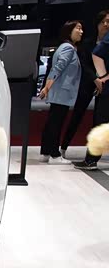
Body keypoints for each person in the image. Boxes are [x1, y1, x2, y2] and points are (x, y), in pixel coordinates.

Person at [61, 10, 109, 158]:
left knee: (99, 119)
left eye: (108, 22)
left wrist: (103, 79)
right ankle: (63, 147)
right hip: (88, 82)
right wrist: (95, 79)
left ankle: (92, 155)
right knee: (77, 115)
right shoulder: (88, 43)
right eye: (103, 21)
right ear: (98, 23)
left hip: (105, 83)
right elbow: (84, 63)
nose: (105, 24)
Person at [39, 21, 83, 164]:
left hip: (59, 91)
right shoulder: (68, 48)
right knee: (56, 123)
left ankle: (46, 152)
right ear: (69, 31)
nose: (81, 32)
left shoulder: (64, 47)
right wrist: (47, 87)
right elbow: (58, 67)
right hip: (62, 91)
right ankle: (54, 155)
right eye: (78, 28)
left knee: (52, 121)